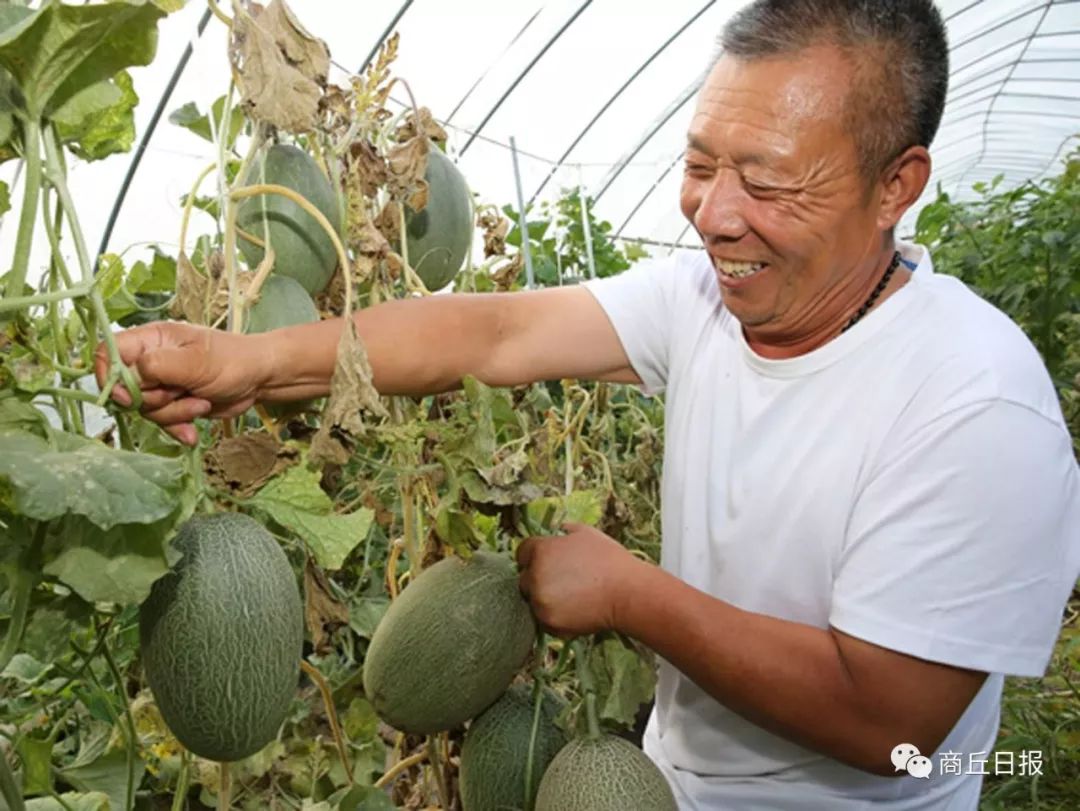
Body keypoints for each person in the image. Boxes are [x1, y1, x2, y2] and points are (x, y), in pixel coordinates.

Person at [98, 1, 1080, 808]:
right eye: (701, 164)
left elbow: (896, 724)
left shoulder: (976, 405)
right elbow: (493, 335)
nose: (716, 212)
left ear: (895, 186)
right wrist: (251, 358)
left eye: (771, 181)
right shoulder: (709, 301)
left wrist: (628, 594)